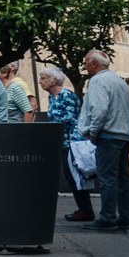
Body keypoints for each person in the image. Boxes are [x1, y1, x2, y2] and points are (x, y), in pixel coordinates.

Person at [83, 50, 129, 232]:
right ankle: (127, 217)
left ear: (93, 63)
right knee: (124, 178)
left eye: (86, 62)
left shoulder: (98, 81)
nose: (84, 65)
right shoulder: (118, 81)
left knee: (107, 178)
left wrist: (93, 132)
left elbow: (99, 109)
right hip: (124, 134)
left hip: (108, 135)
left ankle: (107, 218)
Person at [44, 68, 94, 223]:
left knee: (74, 175)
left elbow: (70, 118)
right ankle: (84, 209)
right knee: (70, 175)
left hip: (72, 140)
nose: (40, 81)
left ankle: (85, 210)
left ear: (53, 80)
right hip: (62, 141)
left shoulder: (66, 95)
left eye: (43, 78)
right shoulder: (52, 97)